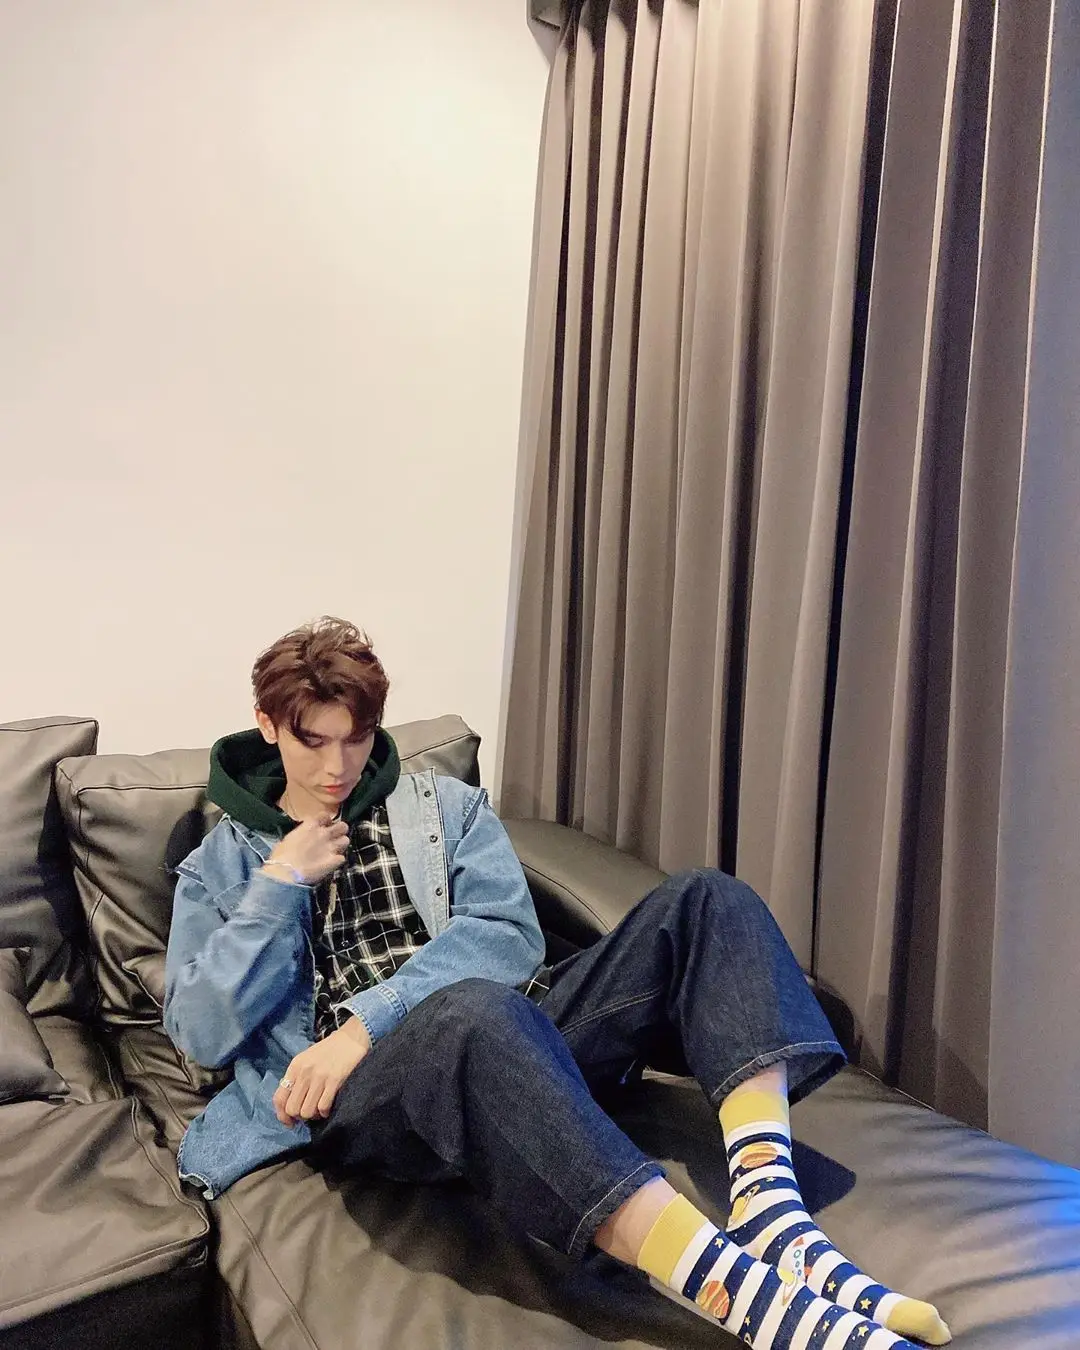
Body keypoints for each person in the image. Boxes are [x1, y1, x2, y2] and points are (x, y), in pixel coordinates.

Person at [164, 618, 951, 1350]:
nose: (338, 768)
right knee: (471, 1014)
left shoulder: (443, 808)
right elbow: (200, 1032)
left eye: (357, 738)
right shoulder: (220, 867)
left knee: (708, 899)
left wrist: (363, 1023)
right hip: (370, 1101)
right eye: (313, 742)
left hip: (509, 1034)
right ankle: (752, 1300)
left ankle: (775, 1218)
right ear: (268, 726)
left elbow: (509, 937)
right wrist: (279, 884)